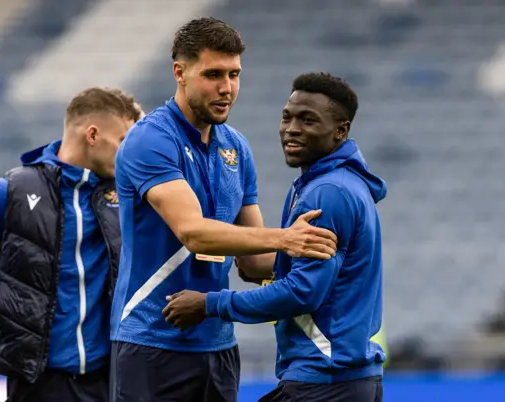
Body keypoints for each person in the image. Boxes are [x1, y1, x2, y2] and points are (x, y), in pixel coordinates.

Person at [110, 18, 338, 402]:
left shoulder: (236, 147)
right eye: (213, 74)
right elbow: (192, 231)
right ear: (179, 73)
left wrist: (331, 260)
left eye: (234, 74)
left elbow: (254, 262)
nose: (227, 88)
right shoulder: (150, 139)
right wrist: (287, 239)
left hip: (217, 345)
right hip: (151, 344)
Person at [163, 72, 387, 402]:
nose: (292, 128)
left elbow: (303, 293)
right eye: (287, 117)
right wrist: (273, 267)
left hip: (325, 381)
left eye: (308, 120)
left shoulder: (326, 193)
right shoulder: (330, 185)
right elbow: (318, 279)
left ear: (340, 131)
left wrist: (209, 304)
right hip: (341, 379)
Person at [0, 87, 144, 402]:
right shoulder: (13, 191)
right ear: (93, 134)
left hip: (111, 381)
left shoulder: (125, 195)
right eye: (124, 141)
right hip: (38, 382)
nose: (129, 155)